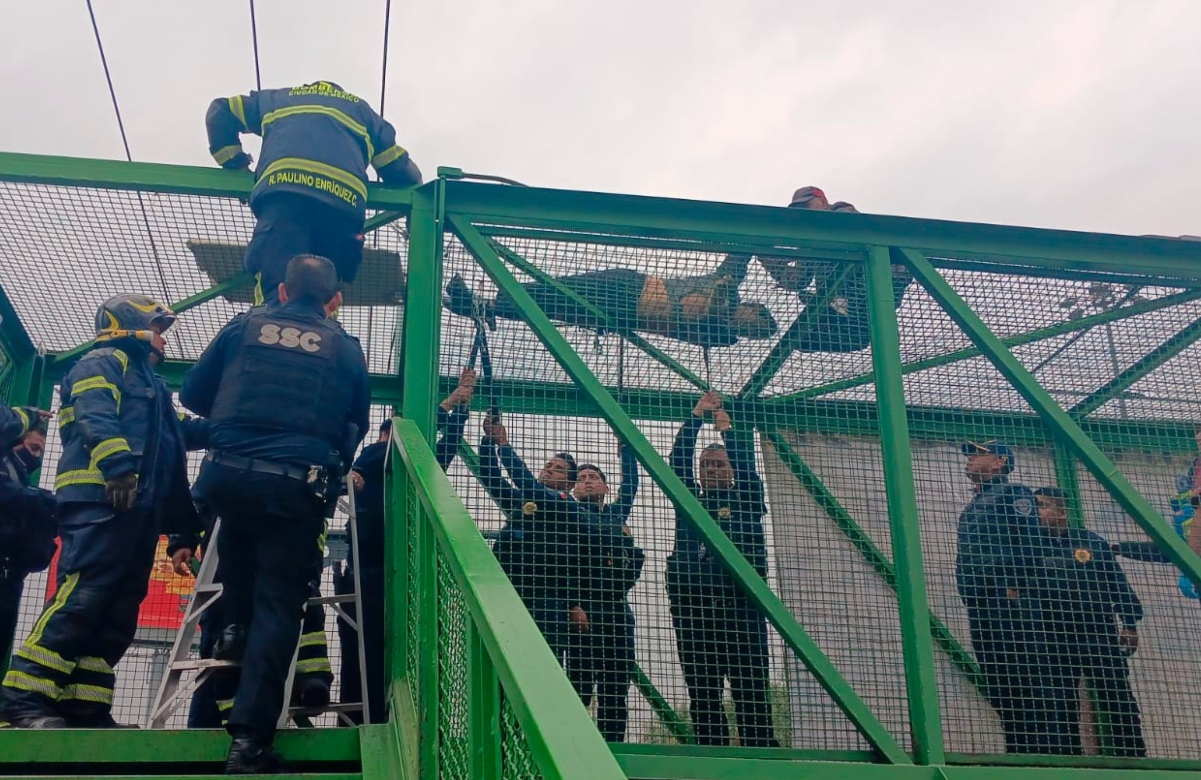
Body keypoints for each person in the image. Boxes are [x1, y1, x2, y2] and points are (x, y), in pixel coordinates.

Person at [181, 255, 369, 773]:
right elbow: (356, 424)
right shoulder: (344, 348)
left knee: (237, 555)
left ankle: (232, 631)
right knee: (279, 610)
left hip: (229, 477)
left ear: (282, 292)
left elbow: (193, 394)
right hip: (293, 490)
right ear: (334, 301)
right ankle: (249, 744)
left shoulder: (243, 326)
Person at [0, 294, 200, 729]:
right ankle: (22, 696)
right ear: (131, 326)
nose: (164, 340)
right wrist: (118, 467)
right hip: (100, 500)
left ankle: (83, 705)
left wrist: (184, 530)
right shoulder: (102, 362)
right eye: (158, 329)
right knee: (84, 594)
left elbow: (174, 456)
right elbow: (95, 414)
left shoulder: (154, 388)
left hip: (137, 510)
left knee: (117, 609)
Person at [336, 369, 475, 724]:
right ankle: (358, 720)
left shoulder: (417, 469)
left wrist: (460, 410)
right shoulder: (375, 452)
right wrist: (449, 403)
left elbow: (444, 449)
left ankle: (388, 717)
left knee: (397, 650)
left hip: (398, 566)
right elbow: (397, 449)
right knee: (363, 648)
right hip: (370, 563)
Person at [206, 80, 423, 306]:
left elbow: (220, 113)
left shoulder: (276, 99)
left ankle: (267, 331)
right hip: (341, 210)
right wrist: (416, 218)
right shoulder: (364, 113)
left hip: (285, 198)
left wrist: (236, 163)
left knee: (274, 285)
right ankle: (321, 334)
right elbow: (399, 169)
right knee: (324, 288)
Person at [666, 390, 777, 748]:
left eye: (719, 465)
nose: (711, 470)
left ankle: (762, 759)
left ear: (730, 470)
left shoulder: (746, 499)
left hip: (741, 608)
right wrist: (696, 416)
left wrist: (727, 430)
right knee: (703, 693)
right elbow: (677, 462)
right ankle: (713, 757)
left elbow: (748, 471)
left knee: (751, 691)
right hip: (695, 612)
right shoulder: (689, 501)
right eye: (706, 466)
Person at [443, 253, 777, 349]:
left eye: (755, 332)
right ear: (753, 308)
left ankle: (483, 305)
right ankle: (481, 304)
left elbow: (715, 315)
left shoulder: (723, 336)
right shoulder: (729, 289)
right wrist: (775, 261)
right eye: (756, 323)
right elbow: (740, 254)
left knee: (554, 306)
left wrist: (723, 290)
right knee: (554, 292)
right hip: (633, 288)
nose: (748, 328)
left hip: (626, 314)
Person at [1029, 487, 1146, 757]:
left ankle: (1133, 758)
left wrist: (1129, 623)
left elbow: (1117, 584)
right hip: (1052, 638)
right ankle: (1069, 761)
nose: (1036, 512)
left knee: (1117, 698)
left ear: (1061, 511)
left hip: (1098, 633)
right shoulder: (1028, 545)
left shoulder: (1090, 542)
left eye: (1042, 505)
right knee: (1059, 704)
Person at [955, 440, 1048, 753]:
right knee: (997, 681)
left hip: (1006, 599)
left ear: (999, 462)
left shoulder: (1014, 494)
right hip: (980, 601)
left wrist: (1014, 584)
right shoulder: (976, 503)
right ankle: (1017, 752)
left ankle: (1035, 755)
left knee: (1020, 677)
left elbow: (1032, 544)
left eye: (978, 453)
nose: (969, 458)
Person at [478, 415, 583, 664]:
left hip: (545, 597)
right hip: (509, 589)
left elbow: (529, 485)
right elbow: (490, 477)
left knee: (543, 659)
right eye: (548, 464)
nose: (548, 469)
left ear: (569, 483)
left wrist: (504, 444)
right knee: (503, 658)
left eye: (558, 468)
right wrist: (488, 440)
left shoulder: (564, 504)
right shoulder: (523, 501)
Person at [758, 190, 914, 353]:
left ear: (823, 202)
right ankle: (840, 311)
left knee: (845, 293)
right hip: (850, 302)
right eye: (800, 210)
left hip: (877, 281)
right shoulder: (811, 239)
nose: (804, 213)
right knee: (803, 341)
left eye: (807, 206)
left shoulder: (843, 214)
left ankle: (841, 307)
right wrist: (768, 257)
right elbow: (798, 280)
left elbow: (850, 230)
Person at [564, 444, 642, 742]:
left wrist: (627, 450)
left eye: (593, 476)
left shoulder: (615, 514)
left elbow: (631, 485)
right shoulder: (567, 513)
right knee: (579, 683)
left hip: (616, 610)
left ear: (605, 487)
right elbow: (562, 565)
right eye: (581, 477)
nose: (587, 480)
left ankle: (614, 748)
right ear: (574, 488)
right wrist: (572, 603)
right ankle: (575, 747)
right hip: (583, 609)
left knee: (616, 686)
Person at [0, 426, 56, 668]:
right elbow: (17, 496)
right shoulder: (7, 475)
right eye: (33, 447)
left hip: (11, 578)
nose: (36, 456)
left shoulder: (17, 475)